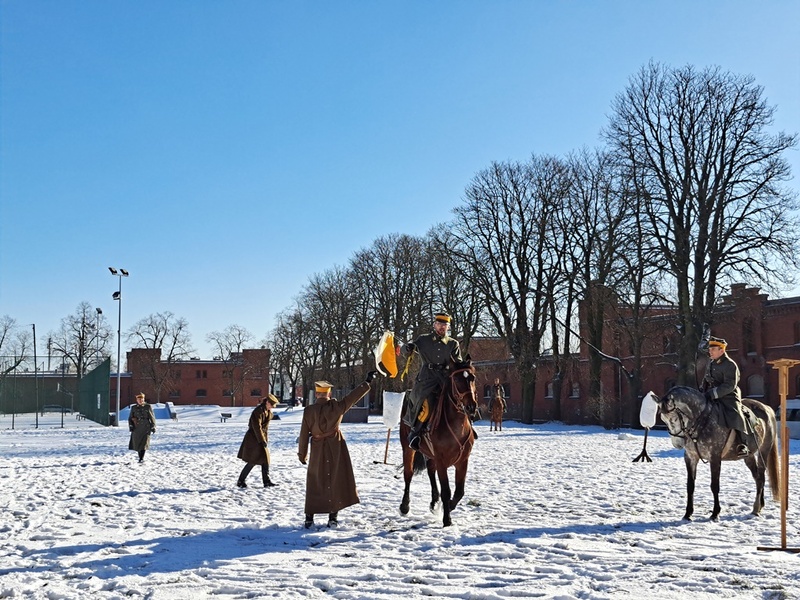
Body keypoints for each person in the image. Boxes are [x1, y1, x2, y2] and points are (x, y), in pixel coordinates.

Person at [297, 371, 378, 529]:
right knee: (335, 480)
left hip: (317, 448)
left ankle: (309, 518)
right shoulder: (337, 407)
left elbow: (303, 434)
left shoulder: (309, 411)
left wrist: (302, 454)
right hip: (336, 447)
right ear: (329, 393)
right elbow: (353, 397)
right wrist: (367, 382)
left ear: (316, 394)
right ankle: (332, 518)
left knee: (315, 480)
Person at [403, 312, 464, 450]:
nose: (442, 327)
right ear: (434, 325)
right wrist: (409, 347)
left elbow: (458, 362)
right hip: (427, 380)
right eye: (440, 324)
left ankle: (468, 427)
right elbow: (409, 348)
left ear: (448, 327)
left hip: (445, 379)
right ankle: (415, 433)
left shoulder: (453, 344)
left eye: (445, 325)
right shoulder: (424, 339)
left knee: (461, 399)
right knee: (427, 404)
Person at [701, 336, 756, 457]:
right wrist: (702, 391)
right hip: (710, 394)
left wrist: (714, 393)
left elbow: (730, 385)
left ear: (722, 350)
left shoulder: (730, 365)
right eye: (710, 350)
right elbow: (707, 379)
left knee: (735, 413)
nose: (710, 352)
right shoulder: (711, 363)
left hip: (728, 396)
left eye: (713, 349)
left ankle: (742, 444)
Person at [236, 394, 280, 488]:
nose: (272, 407)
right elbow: (257, 427)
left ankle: (266, 481)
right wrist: (262, 440)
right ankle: (241, 481)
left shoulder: (267, 412)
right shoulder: (258, 411)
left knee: (265, 460)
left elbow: (265, 428)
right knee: (252, 461)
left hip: (260, 438)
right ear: (267, 402)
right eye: (271, 405)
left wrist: (265, 439)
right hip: (253, 439)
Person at [128, 392, 156, 463]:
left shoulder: (148, 407)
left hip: (146, 427)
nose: (141, 400)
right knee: (137, 443)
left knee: (144, 443)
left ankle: (141, 458)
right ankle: (140, 457)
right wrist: (131, 426)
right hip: (137, 428)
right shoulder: (133, 408)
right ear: (137, 400)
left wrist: (153, 426)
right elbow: (130, 418)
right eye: (139, 399)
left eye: (142, 399)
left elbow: (152, 417)